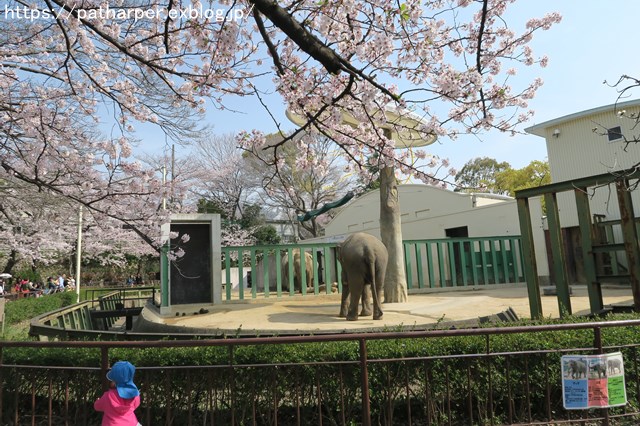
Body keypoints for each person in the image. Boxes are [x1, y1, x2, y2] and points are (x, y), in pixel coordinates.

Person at [94, 361, 141, 426]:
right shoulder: (134, 394)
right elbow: (136, 405)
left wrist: (97, 400)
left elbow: (97, 407)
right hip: (131, 423)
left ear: (114, 381)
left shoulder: (107, 396)